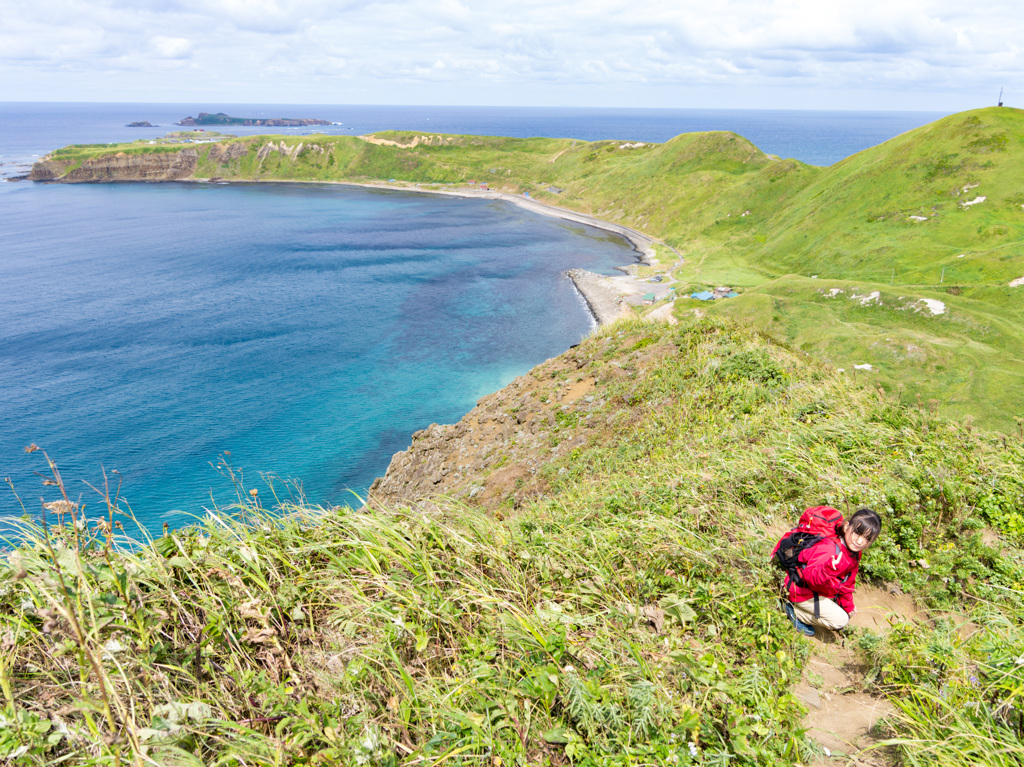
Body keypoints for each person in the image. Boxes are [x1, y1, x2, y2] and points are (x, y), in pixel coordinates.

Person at [780, 508, 882, 636]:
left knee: (845, 613)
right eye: (857, 533)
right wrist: (828, 570)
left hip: (814, 589)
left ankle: (799, 607)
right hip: (798, 589)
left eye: (867, 539)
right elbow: (809, 578)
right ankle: (792, 610)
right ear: (846, 527)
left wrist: (848, 606)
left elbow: (847, 583)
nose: (859, 541)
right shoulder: (829, 548)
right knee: (840, 620)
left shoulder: (854, 554)